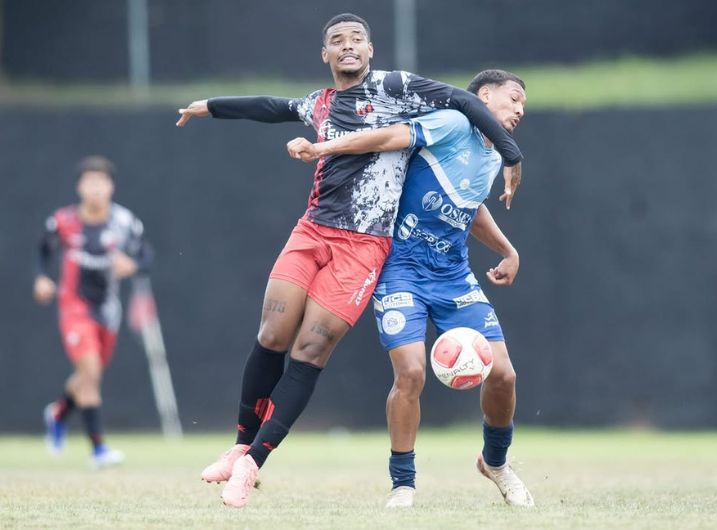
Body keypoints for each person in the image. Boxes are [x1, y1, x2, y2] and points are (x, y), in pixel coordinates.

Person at [175, 13, 523, 508]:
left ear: (371, 48)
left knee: (310, 351)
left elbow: (458, 107)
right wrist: (209, 106)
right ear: (325, 54)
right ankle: (240, 447)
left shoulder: (397, 88)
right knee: (273, 334)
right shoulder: (319, 104)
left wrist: (510, 153)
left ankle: (253, 463)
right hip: (315, 229)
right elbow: (271, 106)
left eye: (356, 38)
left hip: (367, 246)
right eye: (337, 41)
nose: (347, 46)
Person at [286, 69, 533, 507]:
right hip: (400, 271)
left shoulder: (492, 157)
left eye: (523, 106)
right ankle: (403, 483)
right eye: (513, 99)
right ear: (485, 95)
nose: (518, 110)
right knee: (412, 372)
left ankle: (495, 462)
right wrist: (321, 147)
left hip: (453, 275)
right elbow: (384, 138)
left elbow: (468, 209)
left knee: (504, 374)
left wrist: (508, 250)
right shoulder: (453, 122)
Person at [35, 155, 152, 468]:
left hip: (107, 312)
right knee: (90, 374)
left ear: (111, 187)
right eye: (90, 182)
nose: (96, 189)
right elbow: (44, 250)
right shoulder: (62, 221)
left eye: (102, 182)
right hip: (74, 308)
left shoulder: (125, 222)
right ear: (80, 188)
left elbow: (146, 256)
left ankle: (59, 413)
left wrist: (135, 265)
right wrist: (42, 278)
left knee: (88, 375)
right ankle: (99, 450)